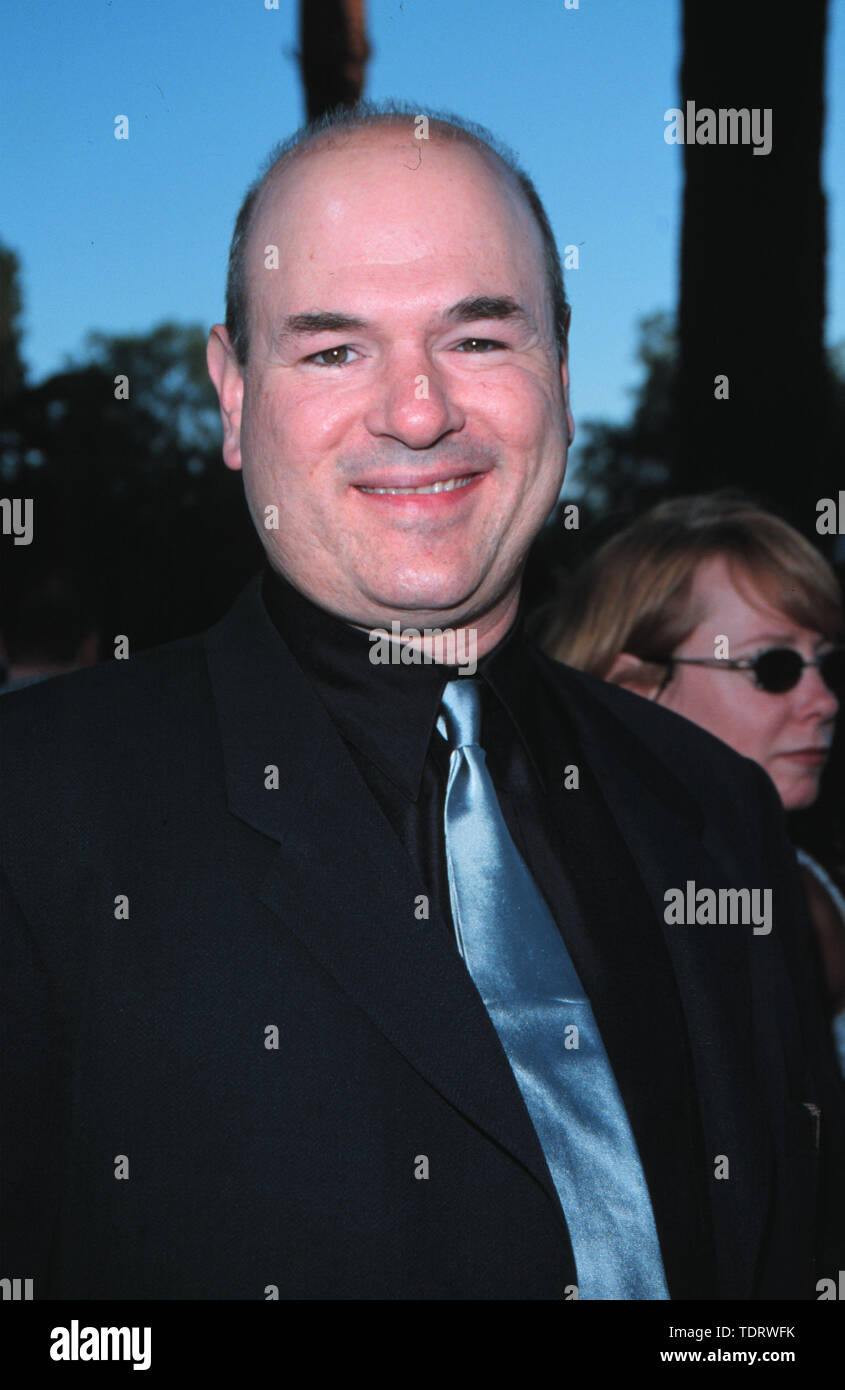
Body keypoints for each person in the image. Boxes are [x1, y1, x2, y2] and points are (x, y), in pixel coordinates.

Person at [2, 103, 843, 1302]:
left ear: (560, 366)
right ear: (233, 397)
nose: (414, 411)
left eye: (478, 339)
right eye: (333, 347)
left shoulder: (715, 807)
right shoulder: (35, 814)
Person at [541, 492, 845, 1071]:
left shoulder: (800, 900)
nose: (825, 701)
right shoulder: (550, 911)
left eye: (828, 664)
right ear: (632, 695)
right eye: (773, 667)